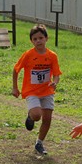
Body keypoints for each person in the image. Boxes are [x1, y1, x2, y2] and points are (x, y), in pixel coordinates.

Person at [12, 24, 62, 156]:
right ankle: (30, 116)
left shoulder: (52, 56)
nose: (38, 41)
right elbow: (16, 69)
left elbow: (56, 73)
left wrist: (55, 82)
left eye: (40, 38)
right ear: (31, 41)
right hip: (31, 91)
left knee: (47, 119)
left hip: (47, 91)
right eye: (35, 39)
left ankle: (39, 143)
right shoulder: (28, 55)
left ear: (46, 38)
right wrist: (15, 87)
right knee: (36, 115)